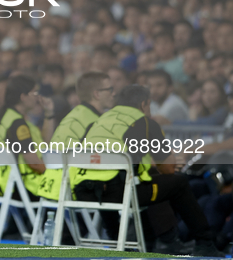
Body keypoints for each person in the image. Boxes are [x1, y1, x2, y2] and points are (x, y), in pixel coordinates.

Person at [72, 85, 222, 257]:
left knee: (131, 180)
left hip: (83, 191)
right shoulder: (144, 123)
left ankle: (118, 239)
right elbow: (168, 168)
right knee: (176, 183)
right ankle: (205, 243)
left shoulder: (96, 122)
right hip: (120, 193)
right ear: (144, 104)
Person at [38, 72, 114, 201]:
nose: (114, 94)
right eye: (110, 90)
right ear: (97, 94)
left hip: (50, 186)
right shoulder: (95, 122)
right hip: (71, 189)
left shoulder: (74, 114)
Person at [0, 75, 45, 200]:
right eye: (33, 93)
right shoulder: (17, 123)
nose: (37, 97)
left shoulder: (5, 114)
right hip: (20, 186)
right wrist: (51, 173)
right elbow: (33, 162)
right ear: (23, 97)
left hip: (2, 181)